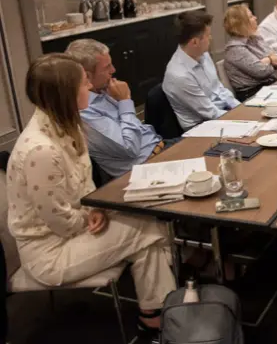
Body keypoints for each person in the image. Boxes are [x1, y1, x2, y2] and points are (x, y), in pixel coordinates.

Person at [6, 54, 176, 334]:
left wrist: (94, 210)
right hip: (50, 253)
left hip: (75, 230)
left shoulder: (67, 125)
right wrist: (90, 216)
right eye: (84, 84)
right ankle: (164, 307)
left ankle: (155, 313)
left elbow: (83, 186)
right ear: (66, 93)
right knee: (149, 225)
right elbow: (60, 222)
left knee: (147, 230)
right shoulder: (41, 151)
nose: (90, 89)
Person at [66, 39, 179, 180]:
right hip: (146, 168)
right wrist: (125, 101)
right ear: (87, 76)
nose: (113, 70)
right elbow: (130, 148)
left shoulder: (105, 90)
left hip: (161, 147)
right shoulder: (85, 112)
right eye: (107, 67)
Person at [163, 10, 240, 131]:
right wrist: (241, 120)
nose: (211, 38)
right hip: (201, 128)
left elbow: (219, 90)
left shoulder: (202, 54)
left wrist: (240, 109)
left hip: (221, 114)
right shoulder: (179, 75)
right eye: (208, 35)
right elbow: (210, 113)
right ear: (195, 42)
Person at [223, 4, 277, 101]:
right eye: (251, 17)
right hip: (252, 94)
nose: (255, 18)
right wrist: (271, 59)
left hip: (268, 86)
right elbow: (261, 72)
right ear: (240, 24)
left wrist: (267, 60)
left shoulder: (255, 38)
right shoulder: (235, 48)